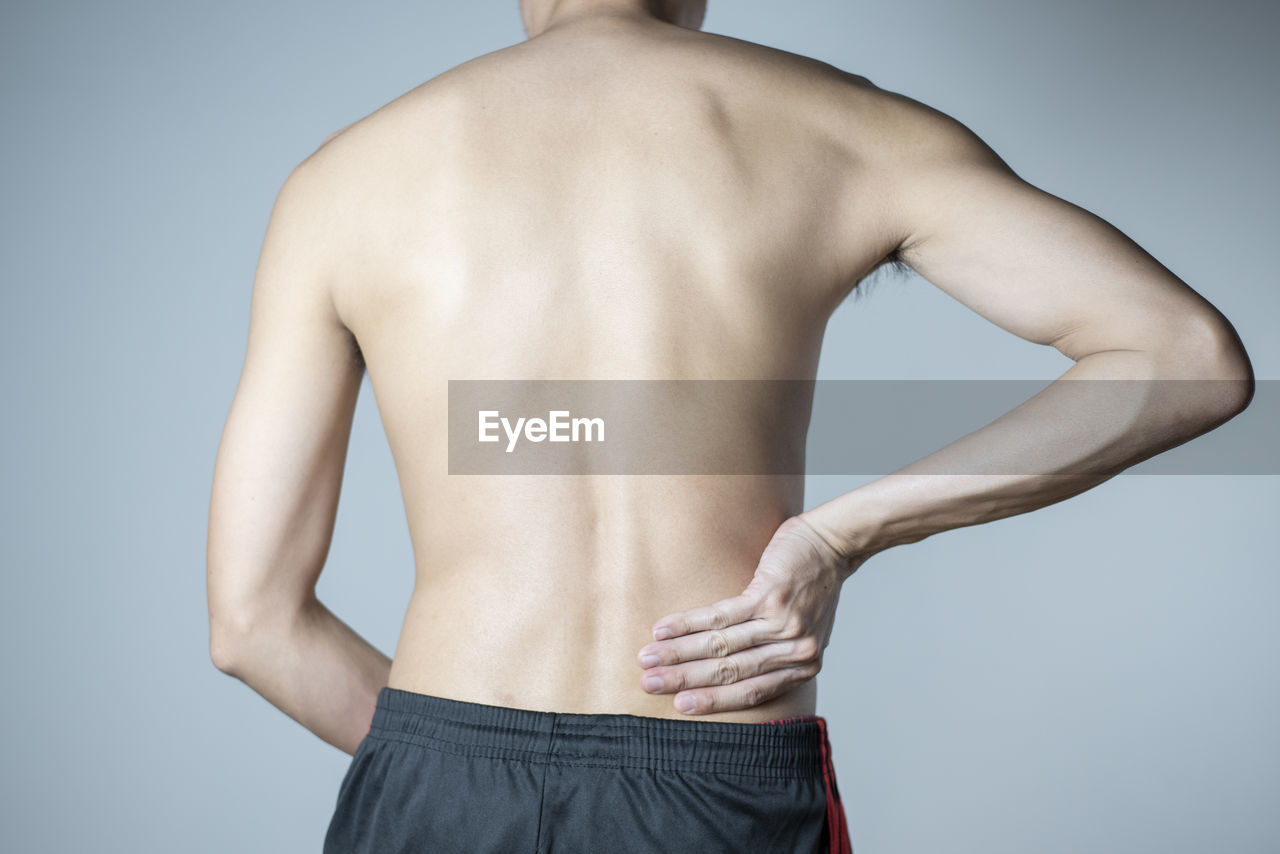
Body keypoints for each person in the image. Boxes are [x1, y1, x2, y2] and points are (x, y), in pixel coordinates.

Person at [205, 0, 1254, 851]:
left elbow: (252, 624)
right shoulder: (846, 132)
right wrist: (839, 536)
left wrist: (452, 765)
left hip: (438, 784)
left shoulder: (340, 184)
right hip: (715, 780)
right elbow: (1185, 358)